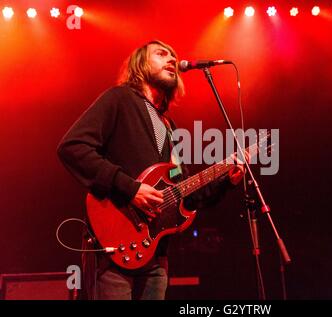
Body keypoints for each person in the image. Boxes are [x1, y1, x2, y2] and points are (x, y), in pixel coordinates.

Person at [57, 40, 245, 300]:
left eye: (173, 56)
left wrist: (226, 180)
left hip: (155, 256)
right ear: (140, 65)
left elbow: (185, 193)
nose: (171, 59)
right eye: (161, 54)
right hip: (114, 248)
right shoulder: (119, 99)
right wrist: (130, 189)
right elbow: (73, 147)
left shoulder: (170, 126)